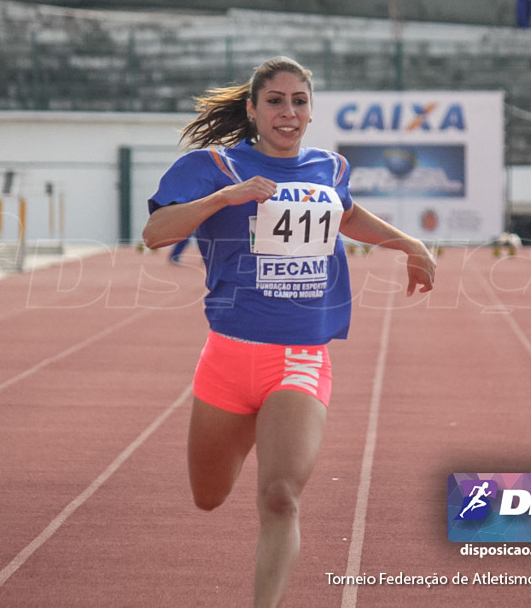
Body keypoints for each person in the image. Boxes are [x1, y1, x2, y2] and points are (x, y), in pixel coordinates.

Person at [142, 56, 435, 607]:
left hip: (299, 357)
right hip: (228, 357)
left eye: (299, 101)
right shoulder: (214, 166)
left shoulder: (330, 168)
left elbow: (346, 216)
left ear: (310, 111)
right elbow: (155, 232)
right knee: (208, 496)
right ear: (252, 110)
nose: (288, 112)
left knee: (280, 498)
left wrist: (409, 245)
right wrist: (223, 199)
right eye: (275, 100)